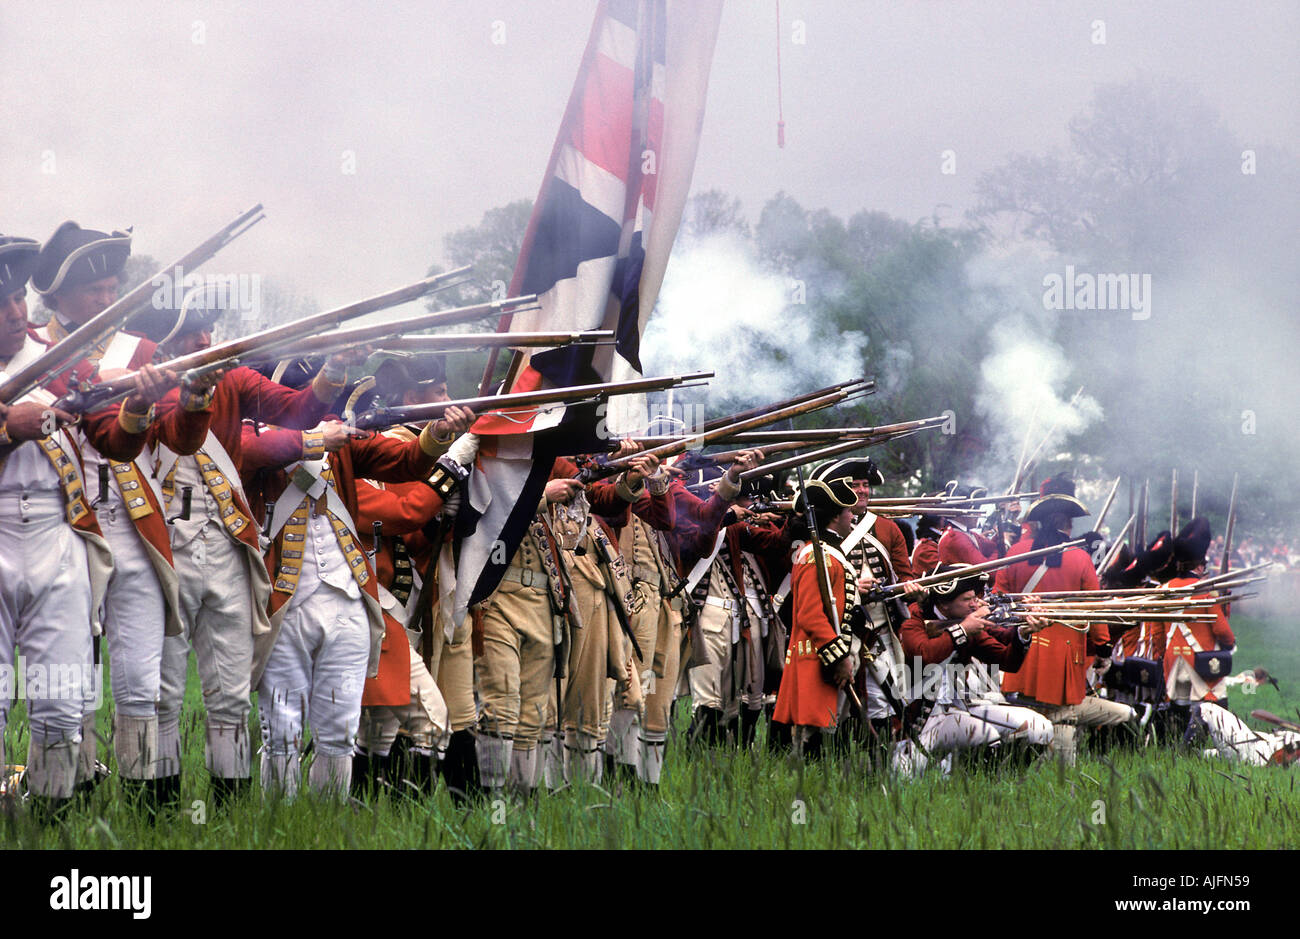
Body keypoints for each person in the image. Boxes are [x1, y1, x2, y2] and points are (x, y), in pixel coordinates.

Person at [0, 233, 176, 815]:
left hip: (56, 534)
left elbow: (114, 439)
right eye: (2, 306)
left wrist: (137, 407)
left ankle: (53, 818)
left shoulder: (65, 366)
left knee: (59, 700)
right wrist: (8, 429)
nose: (15, 315)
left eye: (17, 301)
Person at [995, 475, 1135, 764]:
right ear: (1063, 522)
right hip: (1061, 664)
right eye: (1070, 521)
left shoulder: (1014, 553)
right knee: (1061, 723)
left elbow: (998, 603)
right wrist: (1102, 648)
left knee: (1022, 722)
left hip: (1019, 660)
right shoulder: (1081, 559)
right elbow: (1093, 612)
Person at [897, 564, 1052, 774]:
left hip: (957, 709)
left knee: (1039, 727)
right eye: (966, 599)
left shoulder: (968, 624)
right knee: (902, 778)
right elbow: (923, 655)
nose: (975, 604)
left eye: (974, 597)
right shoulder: (913, 621)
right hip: (918, 720)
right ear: (943, 604)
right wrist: (961, 630)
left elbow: (1007, 661)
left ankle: (1001, 786)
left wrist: (1023, 633)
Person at [772, 475, 858, 757]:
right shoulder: (815, 556)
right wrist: (839, 656)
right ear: (834, 517)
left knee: (823, 736)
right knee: (809, 740)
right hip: (815, 657)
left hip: (824, 654)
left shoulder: (828, 553)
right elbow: (810, 615)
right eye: (848, 512)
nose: (852, 518)